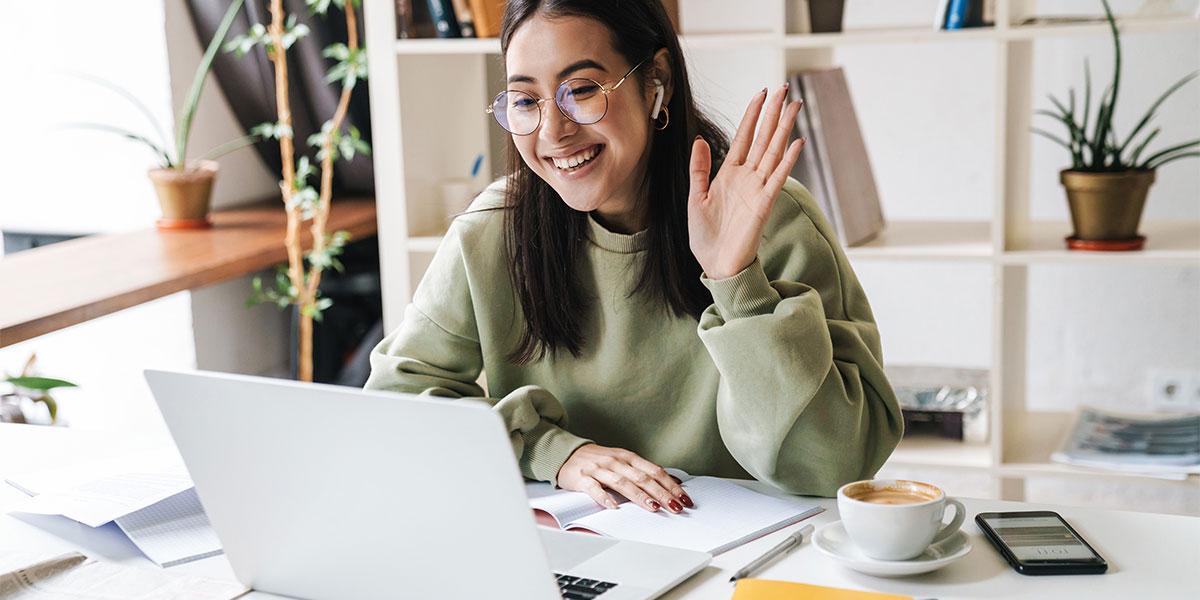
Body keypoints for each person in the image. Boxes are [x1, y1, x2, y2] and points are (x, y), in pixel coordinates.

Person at [366, 0, 902, 514]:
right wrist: (552, 452)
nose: (553, 132)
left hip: (742, 559)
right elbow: (394, 407)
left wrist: (735, 280)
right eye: (526, 101)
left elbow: (834, 466)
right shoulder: (492, 231)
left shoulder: (769, 219)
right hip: (565, 548)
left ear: (655, 83)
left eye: (581, 90)